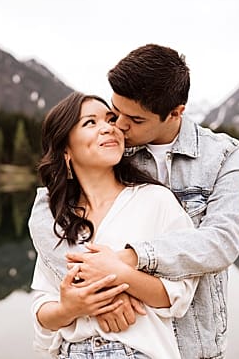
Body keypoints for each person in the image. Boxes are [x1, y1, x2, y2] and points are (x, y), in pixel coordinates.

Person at [31, 45, 239, 359]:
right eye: (114, 112)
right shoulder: (114, 149)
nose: (118, 125)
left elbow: (222, 241)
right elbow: (49, 207)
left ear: (175, 113)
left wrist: (126, 262)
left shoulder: (220, 155)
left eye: (133, 119)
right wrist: (99, 293)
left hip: (194, 342)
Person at [28, 93, 198, 359]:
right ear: (66, 151)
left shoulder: (156, 200)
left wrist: (120, 275)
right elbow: (43, 309)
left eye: (110, 119)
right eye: (90, 122)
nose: (109, 127)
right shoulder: (57, 220)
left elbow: (178, 293)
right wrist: (70, 308)